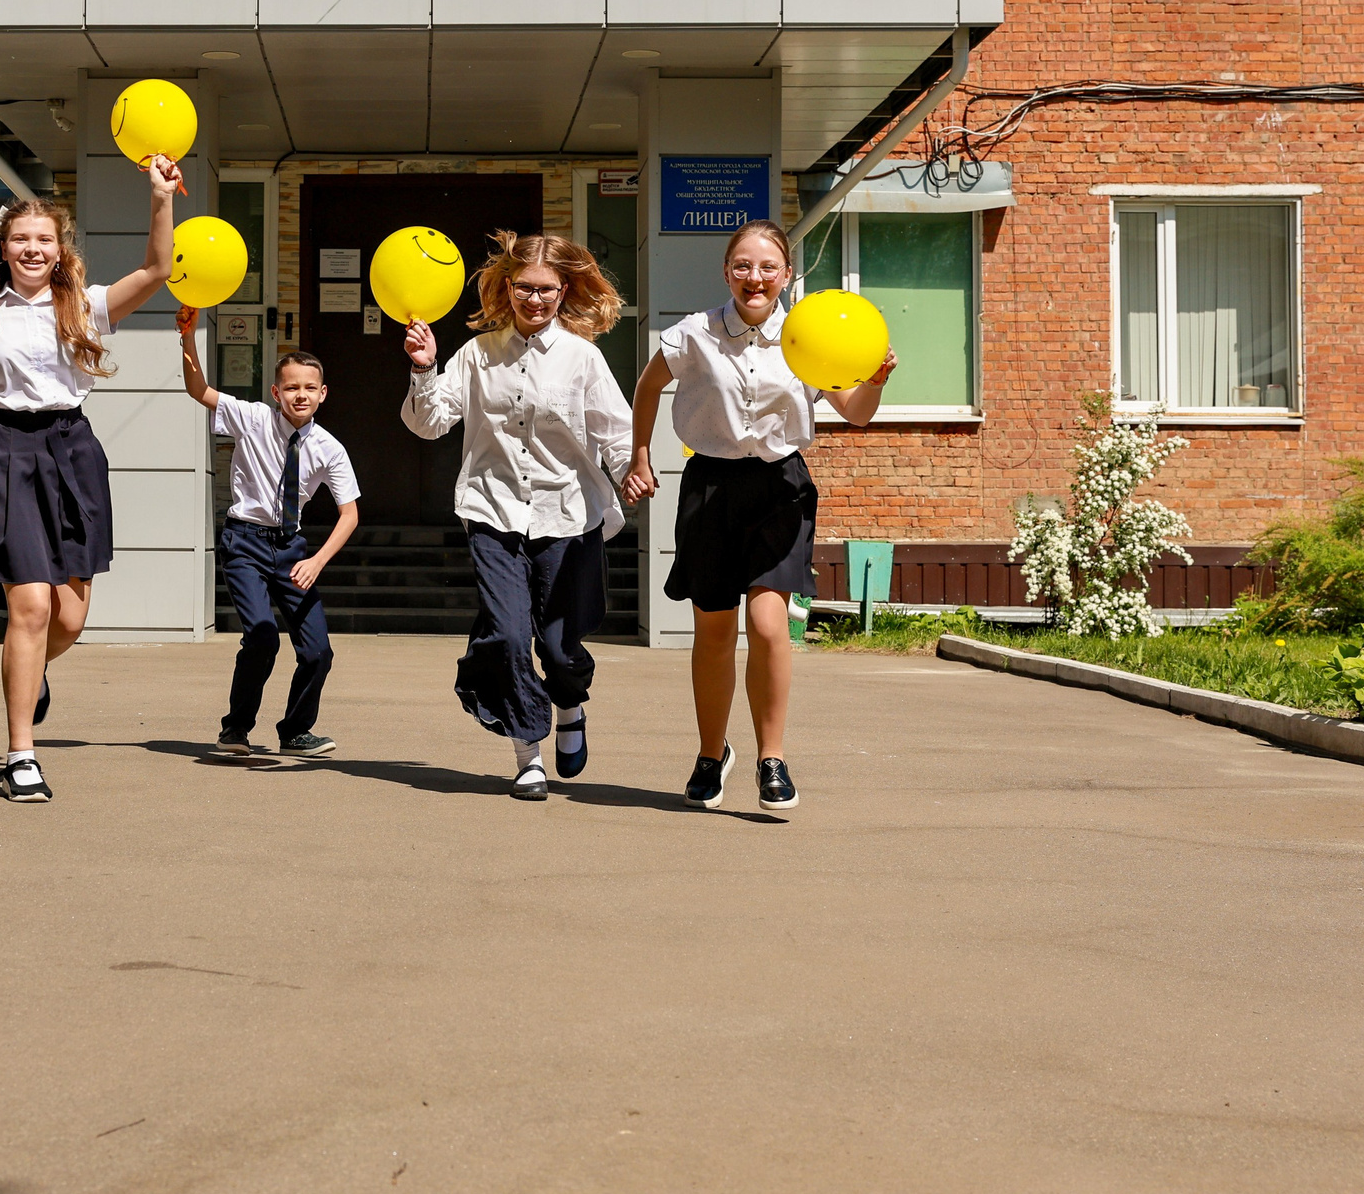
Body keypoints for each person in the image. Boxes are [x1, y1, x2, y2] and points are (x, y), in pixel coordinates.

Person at [0, 161, 180, 802]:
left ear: (60, 251)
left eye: (44, 240)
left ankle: (30, 670)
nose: (33, 249)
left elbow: (157, 270)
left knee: (68, 618)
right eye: (21, 239)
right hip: (6, 452)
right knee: (30, 607)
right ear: (2, 248)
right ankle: (21, 754)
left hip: (72, 453)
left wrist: (160, 197)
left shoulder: (86, 306)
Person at [622, 218, 895, 813]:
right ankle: (710, 754)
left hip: (780, 489)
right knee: (715, 630)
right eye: (743, 265)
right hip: (710, 489)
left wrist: (874, 379)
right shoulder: (695, 333)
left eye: (768, 267)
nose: (755, 277)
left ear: (787, 275)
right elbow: (647, 388)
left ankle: (772, 757)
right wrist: (639, 455)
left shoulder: (807, 339)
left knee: (769, 625)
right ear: (726, 272)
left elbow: (857, 412)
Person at [402, 231, 632, 800]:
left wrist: (633, 470)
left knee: (559, 646)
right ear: (507, 288)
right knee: (506, 636)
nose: (535, 299)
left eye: (546, 289)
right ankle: (527, 753)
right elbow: (428, 424)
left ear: (563, 292)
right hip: (493, 508)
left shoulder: (582, 357)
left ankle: (570, 702)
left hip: (568, 513)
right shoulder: (478, 354)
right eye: (525, 288)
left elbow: (616, 432)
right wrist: (424, 369)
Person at [176, 307, 361, 760]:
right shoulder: (253, 418)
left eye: (309, 388)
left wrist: (316, 561)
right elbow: (198, 389)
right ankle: (235, 728)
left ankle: (295, 730)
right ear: (277, 392)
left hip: (292, 550)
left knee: (318, 651)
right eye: (291, 387)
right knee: (261, 635)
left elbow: (349, 514)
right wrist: (188, 337)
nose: (301, 395)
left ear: (323, 394)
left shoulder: (330, 448)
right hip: (245, 542)